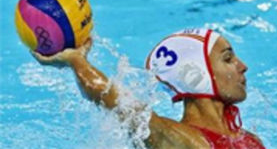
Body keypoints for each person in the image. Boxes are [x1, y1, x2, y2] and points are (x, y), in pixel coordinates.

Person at [32, 28, 265, 149]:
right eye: (227, 59)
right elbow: (118, 101)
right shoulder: (182, 142)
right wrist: (77, 61)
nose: (243, 66)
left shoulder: (250, 140)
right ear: (196, 75)